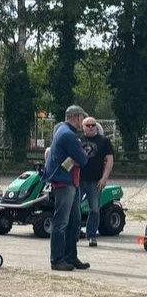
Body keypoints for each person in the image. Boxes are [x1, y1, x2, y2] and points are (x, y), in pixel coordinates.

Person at [44, 105, 89, 271]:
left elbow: (77, 158)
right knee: (62, 222)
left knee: (75, 221)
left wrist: (76, 158)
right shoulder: (69, 135)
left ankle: (70, 256)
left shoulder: (62, 131)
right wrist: (79, 157)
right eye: (81, 118)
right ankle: (57, 259)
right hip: (66, 181)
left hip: (71, 181)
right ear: (75, 117)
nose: (82, 121)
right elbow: (83, 159)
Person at [79, 117, 115, 247]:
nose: (90, 127)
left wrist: (104, 178)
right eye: (87, 125)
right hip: (79, 180)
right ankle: (75, 233)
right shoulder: (78, 140)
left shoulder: (104, 141)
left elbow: (110, 160)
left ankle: (92, 235)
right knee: (74, 208)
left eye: (93, 125)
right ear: (82, 127)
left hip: (95, 181)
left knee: (94, 209)